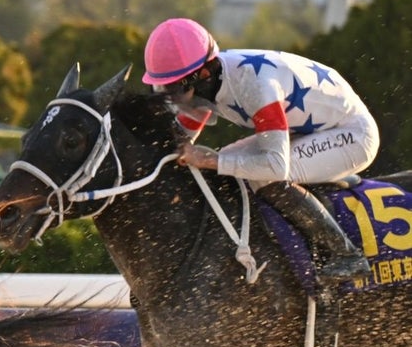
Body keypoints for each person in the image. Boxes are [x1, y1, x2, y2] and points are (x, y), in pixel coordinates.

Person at [142, 17, 375, 287]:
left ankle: (346, 253)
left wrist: (209, 159)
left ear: (204, 75)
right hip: (308, 130)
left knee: (260, 174)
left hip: (352, 135)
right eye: (162, 89)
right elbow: (182, 139)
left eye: (175, 91)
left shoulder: (254, 85)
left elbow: (276, 167)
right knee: (230, 162)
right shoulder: (207, 77)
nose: (172, 100)